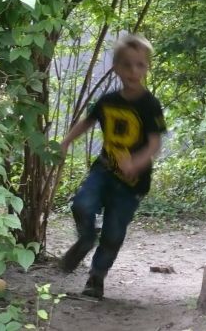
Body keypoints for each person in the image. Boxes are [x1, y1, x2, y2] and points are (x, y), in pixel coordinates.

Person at [58, 34, 167, 299]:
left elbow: (154, 143)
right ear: (116, 67)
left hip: (132, 183)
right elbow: (87, 121)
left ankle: (96, 277)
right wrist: (66, 142)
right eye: (127, 64)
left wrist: (137, 163)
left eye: (140, 65)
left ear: (147, 68)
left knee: (114, 233)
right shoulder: (108, 101)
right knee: (82, 205)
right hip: (104, 170)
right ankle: (86, 238)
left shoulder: (150, 104)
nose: (133, 71)